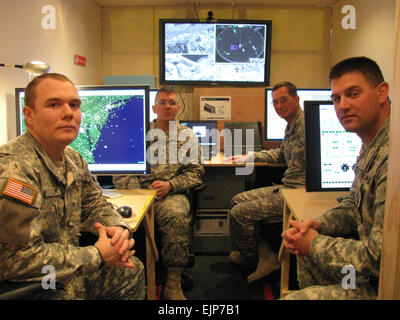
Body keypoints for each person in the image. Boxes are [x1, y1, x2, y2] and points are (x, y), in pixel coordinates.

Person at [0, 73, 145, 300]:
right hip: (40, 282)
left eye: (74, 105)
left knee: (131, 271)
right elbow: (18, 260)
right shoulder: (15, 170)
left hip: (65, 271)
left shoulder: (72, 159)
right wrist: (97, 255)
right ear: (29, 115)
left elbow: (93, 204)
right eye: (54, 104)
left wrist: (118, 229)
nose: (68, 113)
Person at [281, 56, 391, 300]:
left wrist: (314, 243)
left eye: (353, 94)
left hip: (385, 284)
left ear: (381, 92)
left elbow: (381, 260)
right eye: (336, 98)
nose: (342, 106)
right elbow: (353, 203)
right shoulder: (371, 142)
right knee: (306, 254)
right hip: (371, 274)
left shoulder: (393, 156)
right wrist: (318, 224)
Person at [113, 87, 204, 300]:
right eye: (162, 102)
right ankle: (120, 275)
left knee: (176, 216)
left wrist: (171, 185)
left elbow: (196, 172)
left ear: (179, 108)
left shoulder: (187, 136)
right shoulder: (139, 132)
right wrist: (139, 193)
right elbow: (121, 170)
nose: (168, 107)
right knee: (113, 218)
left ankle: (173, 281)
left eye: (172, 103)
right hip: (136, 193)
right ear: (154, 107)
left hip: (169, 196)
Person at [227, 81, 306, 284]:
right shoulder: (291, 125)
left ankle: (260, 260)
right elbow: (281, 153)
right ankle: (262, 254)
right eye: (275, 102)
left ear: (296, 100)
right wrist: (250, 156)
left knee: (239, 213)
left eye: (284, 100)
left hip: (299, 193)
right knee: (236, 199)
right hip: (287, 187)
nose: (279, 106)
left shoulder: (307, 124)